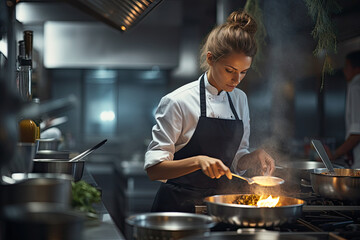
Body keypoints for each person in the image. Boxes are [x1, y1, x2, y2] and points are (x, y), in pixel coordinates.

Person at [144, 9, 275, 213]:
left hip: (220, 206)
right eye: (230, 70)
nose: (237, 80)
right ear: (211, 59)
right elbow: (154, 169)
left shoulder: (240, 99)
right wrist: (198, 161)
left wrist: (252, 157)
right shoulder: (178, 101)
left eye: (243, 72)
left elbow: (237, 158)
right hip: (178, 208)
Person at [328, 50, 360, 168]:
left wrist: (334, 154)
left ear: (357, 69)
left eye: (347, 66)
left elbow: (357, 134)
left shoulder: (356, 87)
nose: (344, 70)